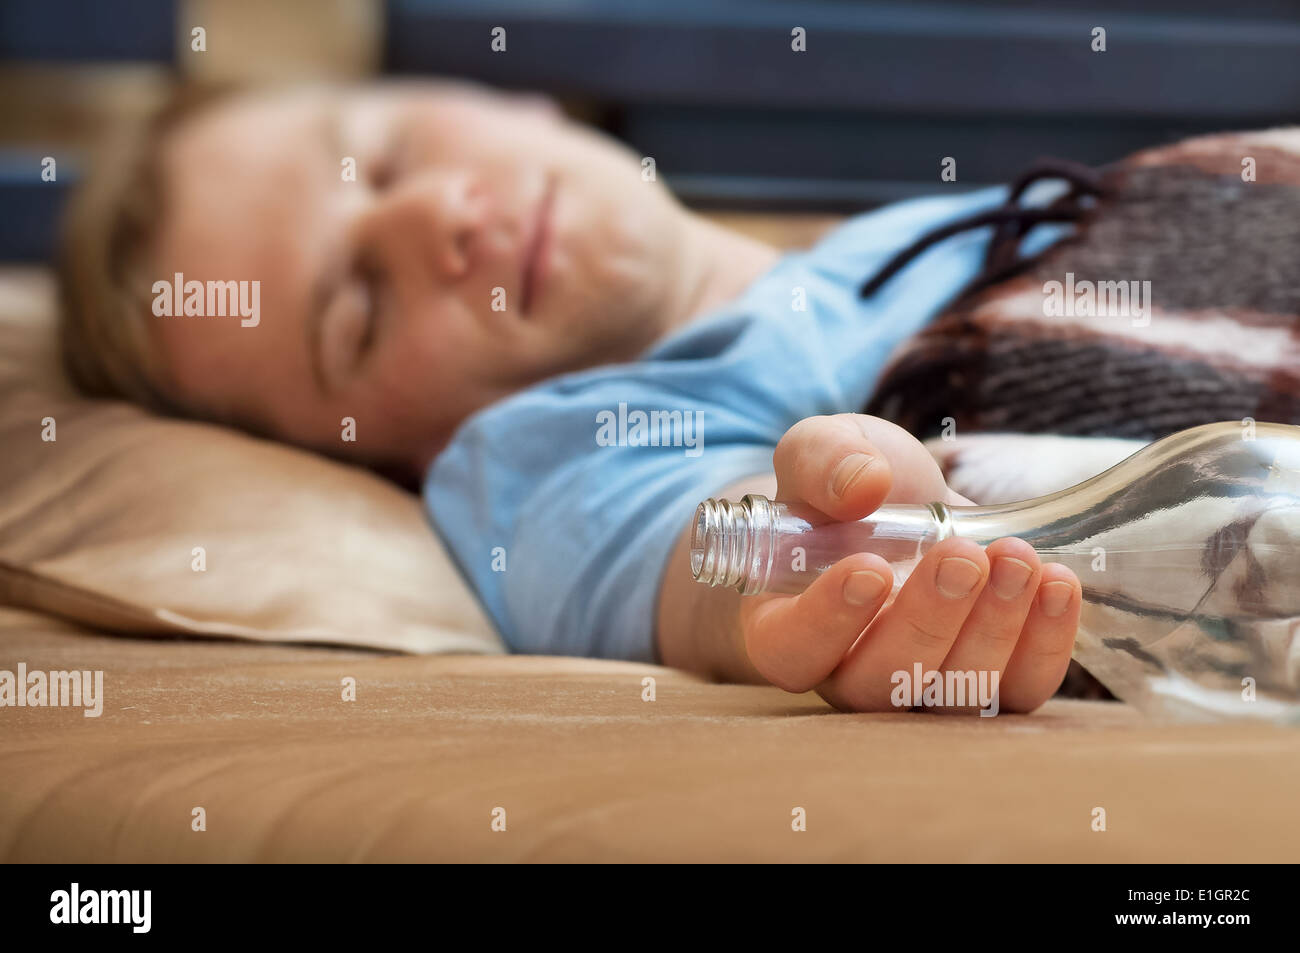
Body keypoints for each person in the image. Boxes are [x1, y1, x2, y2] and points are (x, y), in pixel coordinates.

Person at [59, 79, 1082, 713]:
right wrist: (813, 556)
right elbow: (698, 557)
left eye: (385, 160)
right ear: (383, 458)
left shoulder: (920, 236)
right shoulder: (535, 462)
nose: (434, 219)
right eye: (358, 313)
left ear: (512, 98)